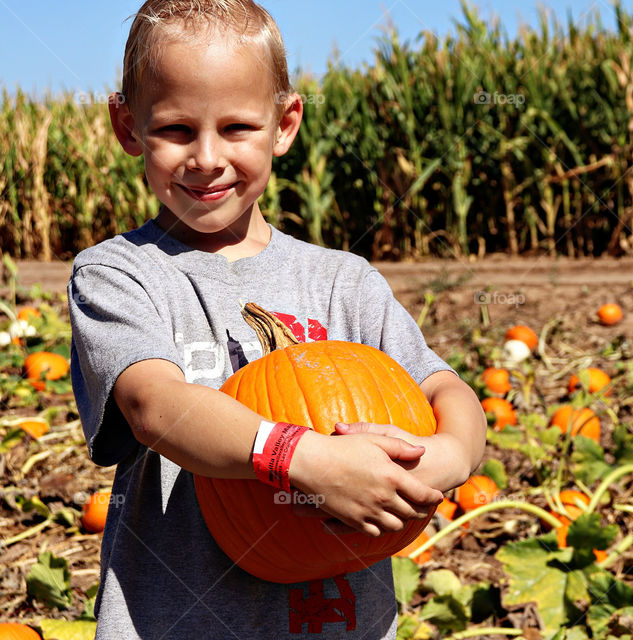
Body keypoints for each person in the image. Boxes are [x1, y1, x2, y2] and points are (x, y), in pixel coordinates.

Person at [67, 1, 486, 637]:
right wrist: (300, 459)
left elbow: (445, 389)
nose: (207, 157)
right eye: (177, 130)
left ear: (284, 124)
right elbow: (155, 406)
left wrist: (444, 457)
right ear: (128, 127)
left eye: (237, 127)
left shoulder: (342, 282)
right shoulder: (119, 276)